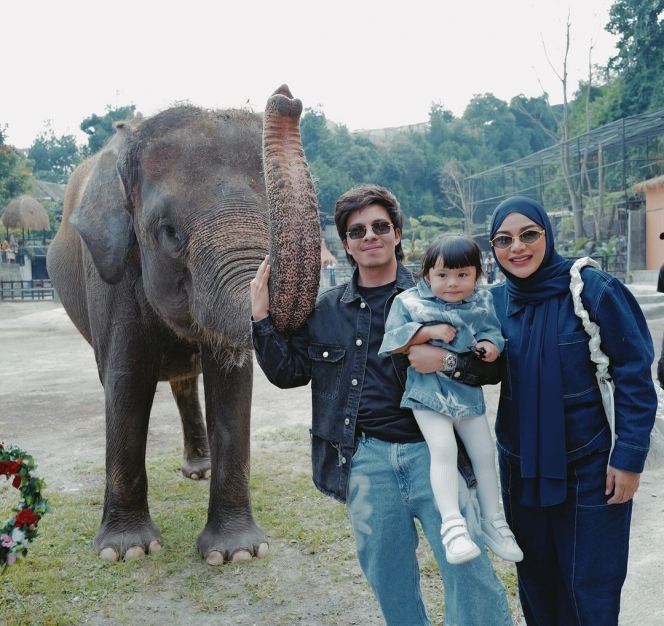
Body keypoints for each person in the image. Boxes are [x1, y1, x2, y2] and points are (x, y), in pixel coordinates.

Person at [250, 185, 513, 625]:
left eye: (379, 226)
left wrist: (446, 358)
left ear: (396, 233)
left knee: (468, 568)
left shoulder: (439, 294)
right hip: (365, 459)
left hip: (435, 451)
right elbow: (287, 372)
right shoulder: (325, 311)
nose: (369, 236)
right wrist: (261, 317)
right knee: (388, 576)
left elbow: (490, 368)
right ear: (346, 244)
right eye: (357, 231)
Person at [486, 196, 657, 625]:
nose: (517, 247)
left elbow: (634, 372)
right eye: (504, 240)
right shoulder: (493, 303)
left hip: (592, 466)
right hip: (521, 467)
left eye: (529, 234)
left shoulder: (592, 289)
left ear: (548, 233)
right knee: (537, 581)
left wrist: (629, 457)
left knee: (591, 586)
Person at [378, 235, 522, 566]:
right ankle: (452, 527)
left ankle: (493, 520)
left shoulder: (482, 302)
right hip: (428, 394)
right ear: (428, 274)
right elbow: (393, 342)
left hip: (466, 394)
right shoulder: (410, 302)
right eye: (443, 275)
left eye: (463, 275)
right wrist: (428, 332)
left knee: (485, 452)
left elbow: (491, 330)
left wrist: (490, 344)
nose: (453, 283)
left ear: (477, 274)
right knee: (444, 450)